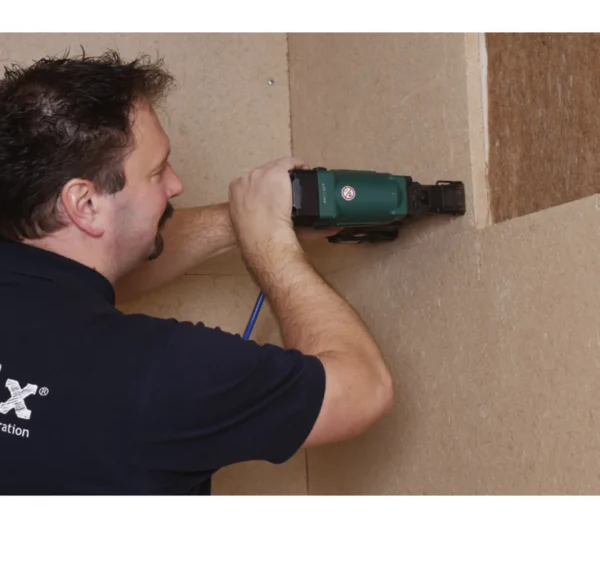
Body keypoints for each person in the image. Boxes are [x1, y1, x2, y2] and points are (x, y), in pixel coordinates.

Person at [0, 49, 393, 495]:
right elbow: (361, 389)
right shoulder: (156, 375)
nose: (176, 184)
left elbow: (100, 276)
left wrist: (245, 219)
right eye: (157, 171)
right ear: (85, 204)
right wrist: (270, 243)